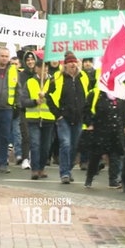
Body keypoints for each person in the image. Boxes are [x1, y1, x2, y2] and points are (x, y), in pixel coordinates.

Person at [46, 51, 89, 184]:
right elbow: (49, 97)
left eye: (74, 62)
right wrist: (57, 115)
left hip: (78, 118)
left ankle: (68, 169)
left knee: (75, 146)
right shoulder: (57, 78)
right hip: (63, 118)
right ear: (64, 64)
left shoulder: (83, 77)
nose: (72, 64)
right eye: (69, 62)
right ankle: (64, 173)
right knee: (65, 144)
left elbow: (87, 96)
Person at [82, 87, 125, 190]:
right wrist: (89, 123)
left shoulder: (120, 94)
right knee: (96, 155)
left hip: (116, 130)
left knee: (115, 155)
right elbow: (86, 109)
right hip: (100, 129)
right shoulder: (95, 93)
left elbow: (123, 112)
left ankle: (113, 180)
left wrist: (124, 125)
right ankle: (89, 178)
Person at [20, 59, 54, 179]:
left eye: (46, 68)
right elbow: (23, 101)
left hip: (48, 118)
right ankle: (34, 169)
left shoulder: (52, 82)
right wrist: (35, 101)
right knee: (35, 144)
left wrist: (46, 97)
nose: (44, 71)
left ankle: (41, 168)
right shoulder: (30, 82)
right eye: (42, 68)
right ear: (37, 69)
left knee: (46, 147)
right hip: (33, 119)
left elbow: (57, 99)